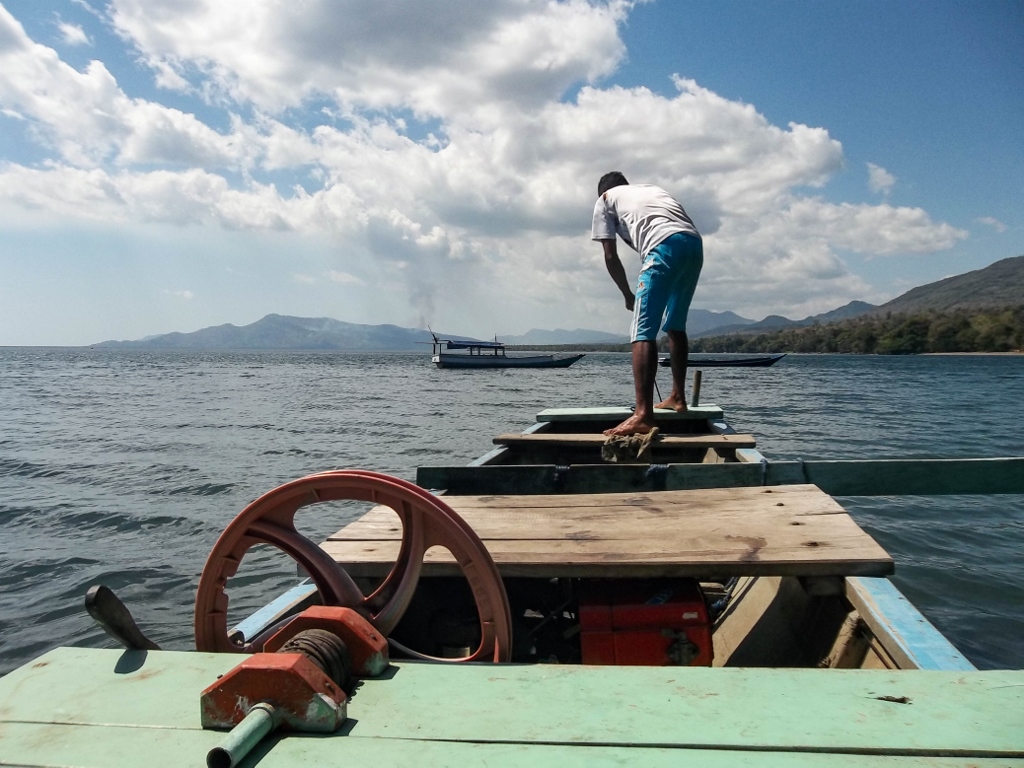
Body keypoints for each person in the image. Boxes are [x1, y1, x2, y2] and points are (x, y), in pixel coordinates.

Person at [592, 171, 703, 436]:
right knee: (675, 324)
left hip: (663, 246)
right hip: (693, 245)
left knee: (642, 330)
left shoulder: (605, 199)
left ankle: (643, 415)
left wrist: (628, 294)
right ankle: (678, 396)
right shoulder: (649, 190)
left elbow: (610, 255)